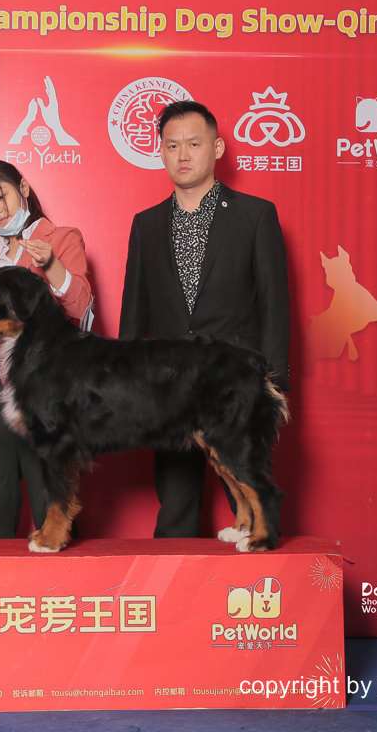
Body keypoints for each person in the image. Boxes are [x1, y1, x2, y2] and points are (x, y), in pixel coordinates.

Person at [119, 100, 290, 538]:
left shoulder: (256, 215)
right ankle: (173, 581)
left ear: (217, 149)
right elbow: (134, 311)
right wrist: (127, 385)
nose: (183, 154)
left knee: (248, 492)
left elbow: (274, 304)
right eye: (172, 145)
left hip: (235, 384)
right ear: (160, 151)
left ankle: (259, 569)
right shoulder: (146, 225)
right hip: (167, 388)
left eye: (194, 144)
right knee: (175, 504)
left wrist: (274, 381)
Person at [0, 160, 92, 539]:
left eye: (1, 196)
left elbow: (81, 309)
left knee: (51, 506)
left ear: (23, 188)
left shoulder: (63, 238)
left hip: (45, 393)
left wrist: (51, 265)